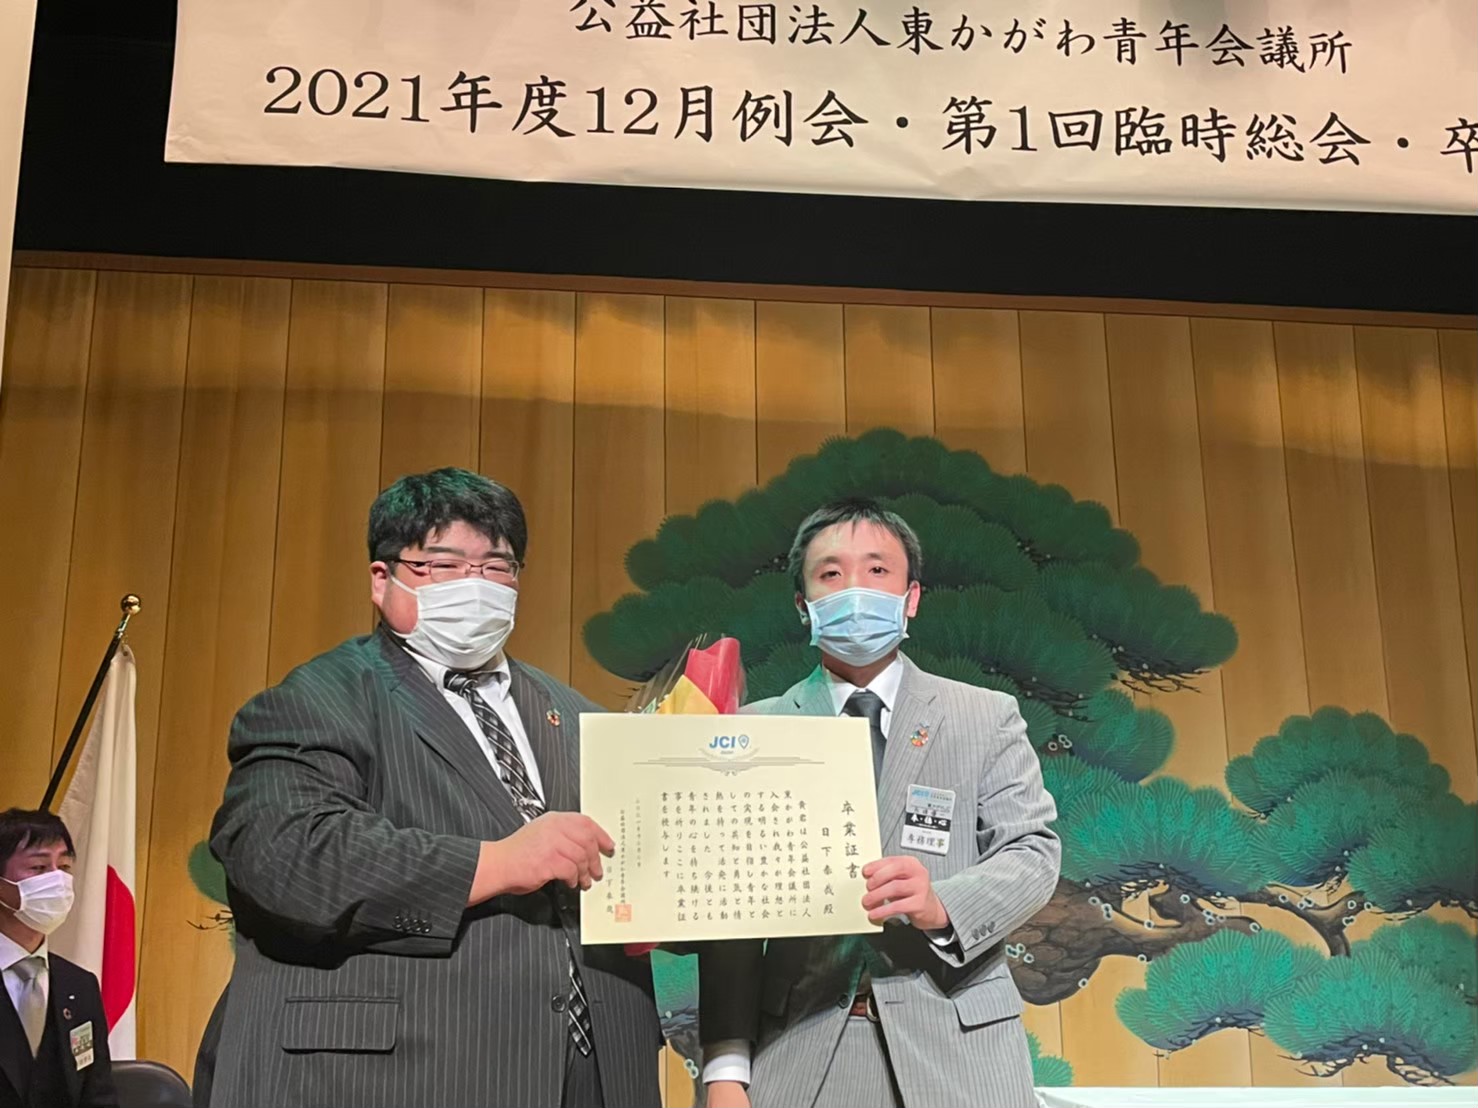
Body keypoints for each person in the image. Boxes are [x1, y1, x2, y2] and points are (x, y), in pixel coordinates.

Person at [197, 468, 662, 1108]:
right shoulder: (320, 697)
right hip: (408, 1072)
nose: (475, 585)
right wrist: (495, 862)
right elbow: (284, 855)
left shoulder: (580, 715)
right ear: (381, 580)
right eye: (442, 565)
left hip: (597, 1072)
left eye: (496, 567)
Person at [700, 500, 1060, 1108]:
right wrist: (725, 1071)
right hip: (799, 1050)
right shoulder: (752, 732)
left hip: (961, 1049)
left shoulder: (984, 716)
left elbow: (1032, 852)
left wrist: (942, 904)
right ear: (803, 605)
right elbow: (728, 919)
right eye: (831, 574)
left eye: (877, 570)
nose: (855, 590)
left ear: (910, 597)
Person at [0, 808, 117, 1108]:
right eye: (38, 867)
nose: (56, 880)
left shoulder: (79, 985)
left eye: (64, 867)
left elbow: (98, 1094)